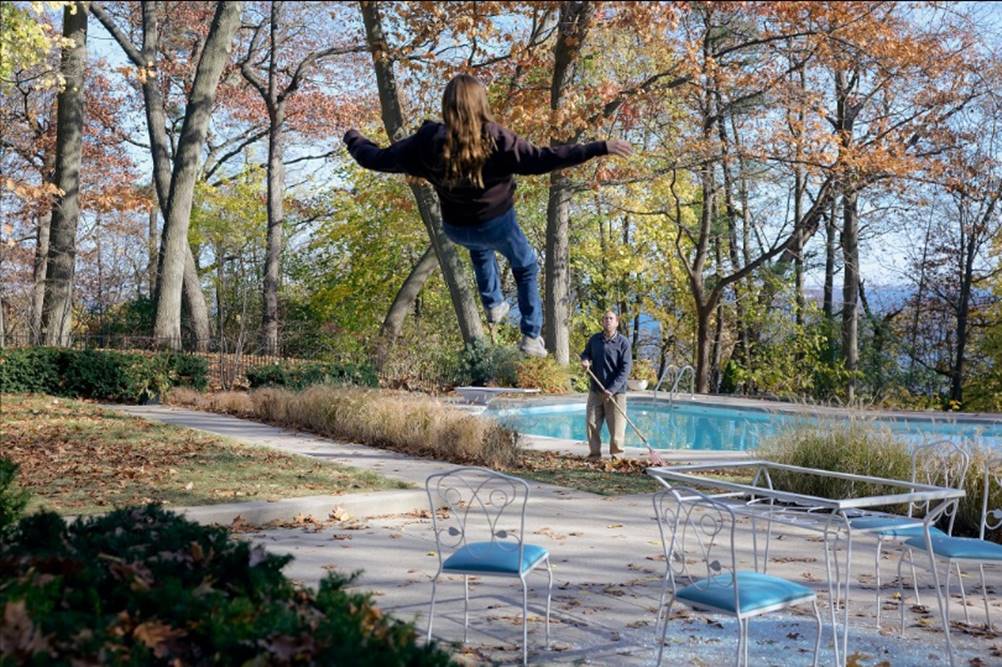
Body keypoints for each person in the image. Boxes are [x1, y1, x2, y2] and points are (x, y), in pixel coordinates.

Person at [343, 74, 632, 357]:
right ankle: (531, 336)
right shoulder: (495, 138)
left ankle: (493, 304)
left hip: (456, 228)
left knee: (479, 249)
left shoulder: (427, 141)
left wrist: (354, 138)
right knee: (526, 266)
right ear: (481, 103)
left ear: (447, 105)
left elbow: (377, 158)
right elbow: (543, 159)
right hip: (497, 225)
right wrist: (598, 147)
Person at [580, 310, 632, 459]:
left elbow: (625, 369)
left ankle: (617, 456)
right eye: (605, 318)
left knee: (617, 427)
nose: (608, 321)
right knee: (591, 423)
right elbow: (586, 353)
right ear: (602, 322)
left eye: (611, 318)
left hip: (616, 393)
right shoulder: (595, 339)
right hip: (596, 390)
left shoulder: (623, 343)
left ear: (616, 323)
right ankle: (594, 455)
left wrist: (612, 389)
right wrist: (585, 360)